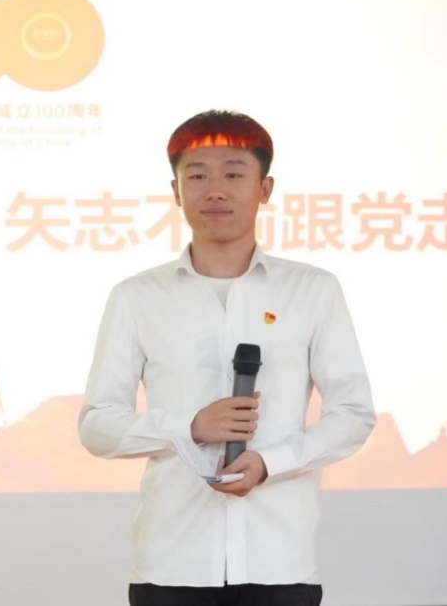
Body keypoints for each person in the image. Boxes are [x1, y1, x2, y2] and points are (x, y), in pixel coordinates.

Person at [78, 110, 376, 606]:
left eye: (234, 174)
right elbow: (97, 425)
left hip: (278, 561)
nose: (215, 190)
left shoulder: (313, 290)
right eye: (197, 176)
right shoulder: (136, 297)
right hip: (171, 563)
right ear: (176, 192)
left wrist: (271, 463)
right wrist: (189, 427)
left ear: (265, 188)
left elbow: (353, 414)